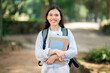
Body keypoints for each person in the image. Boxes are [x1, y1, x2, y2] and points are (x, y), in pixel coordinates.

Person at [35, 5, 77, 73]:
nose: (53, 17)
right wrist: (55, 51)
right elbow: (38, 54)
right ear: (47, 17)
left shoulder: (67, 32)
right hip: (47, 70)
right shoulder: (42, 34)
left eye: (56, 15)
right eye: (51, 15)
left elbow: (73, 51)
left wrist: (55, 57)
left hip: (63, 69)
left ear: (60, 18)